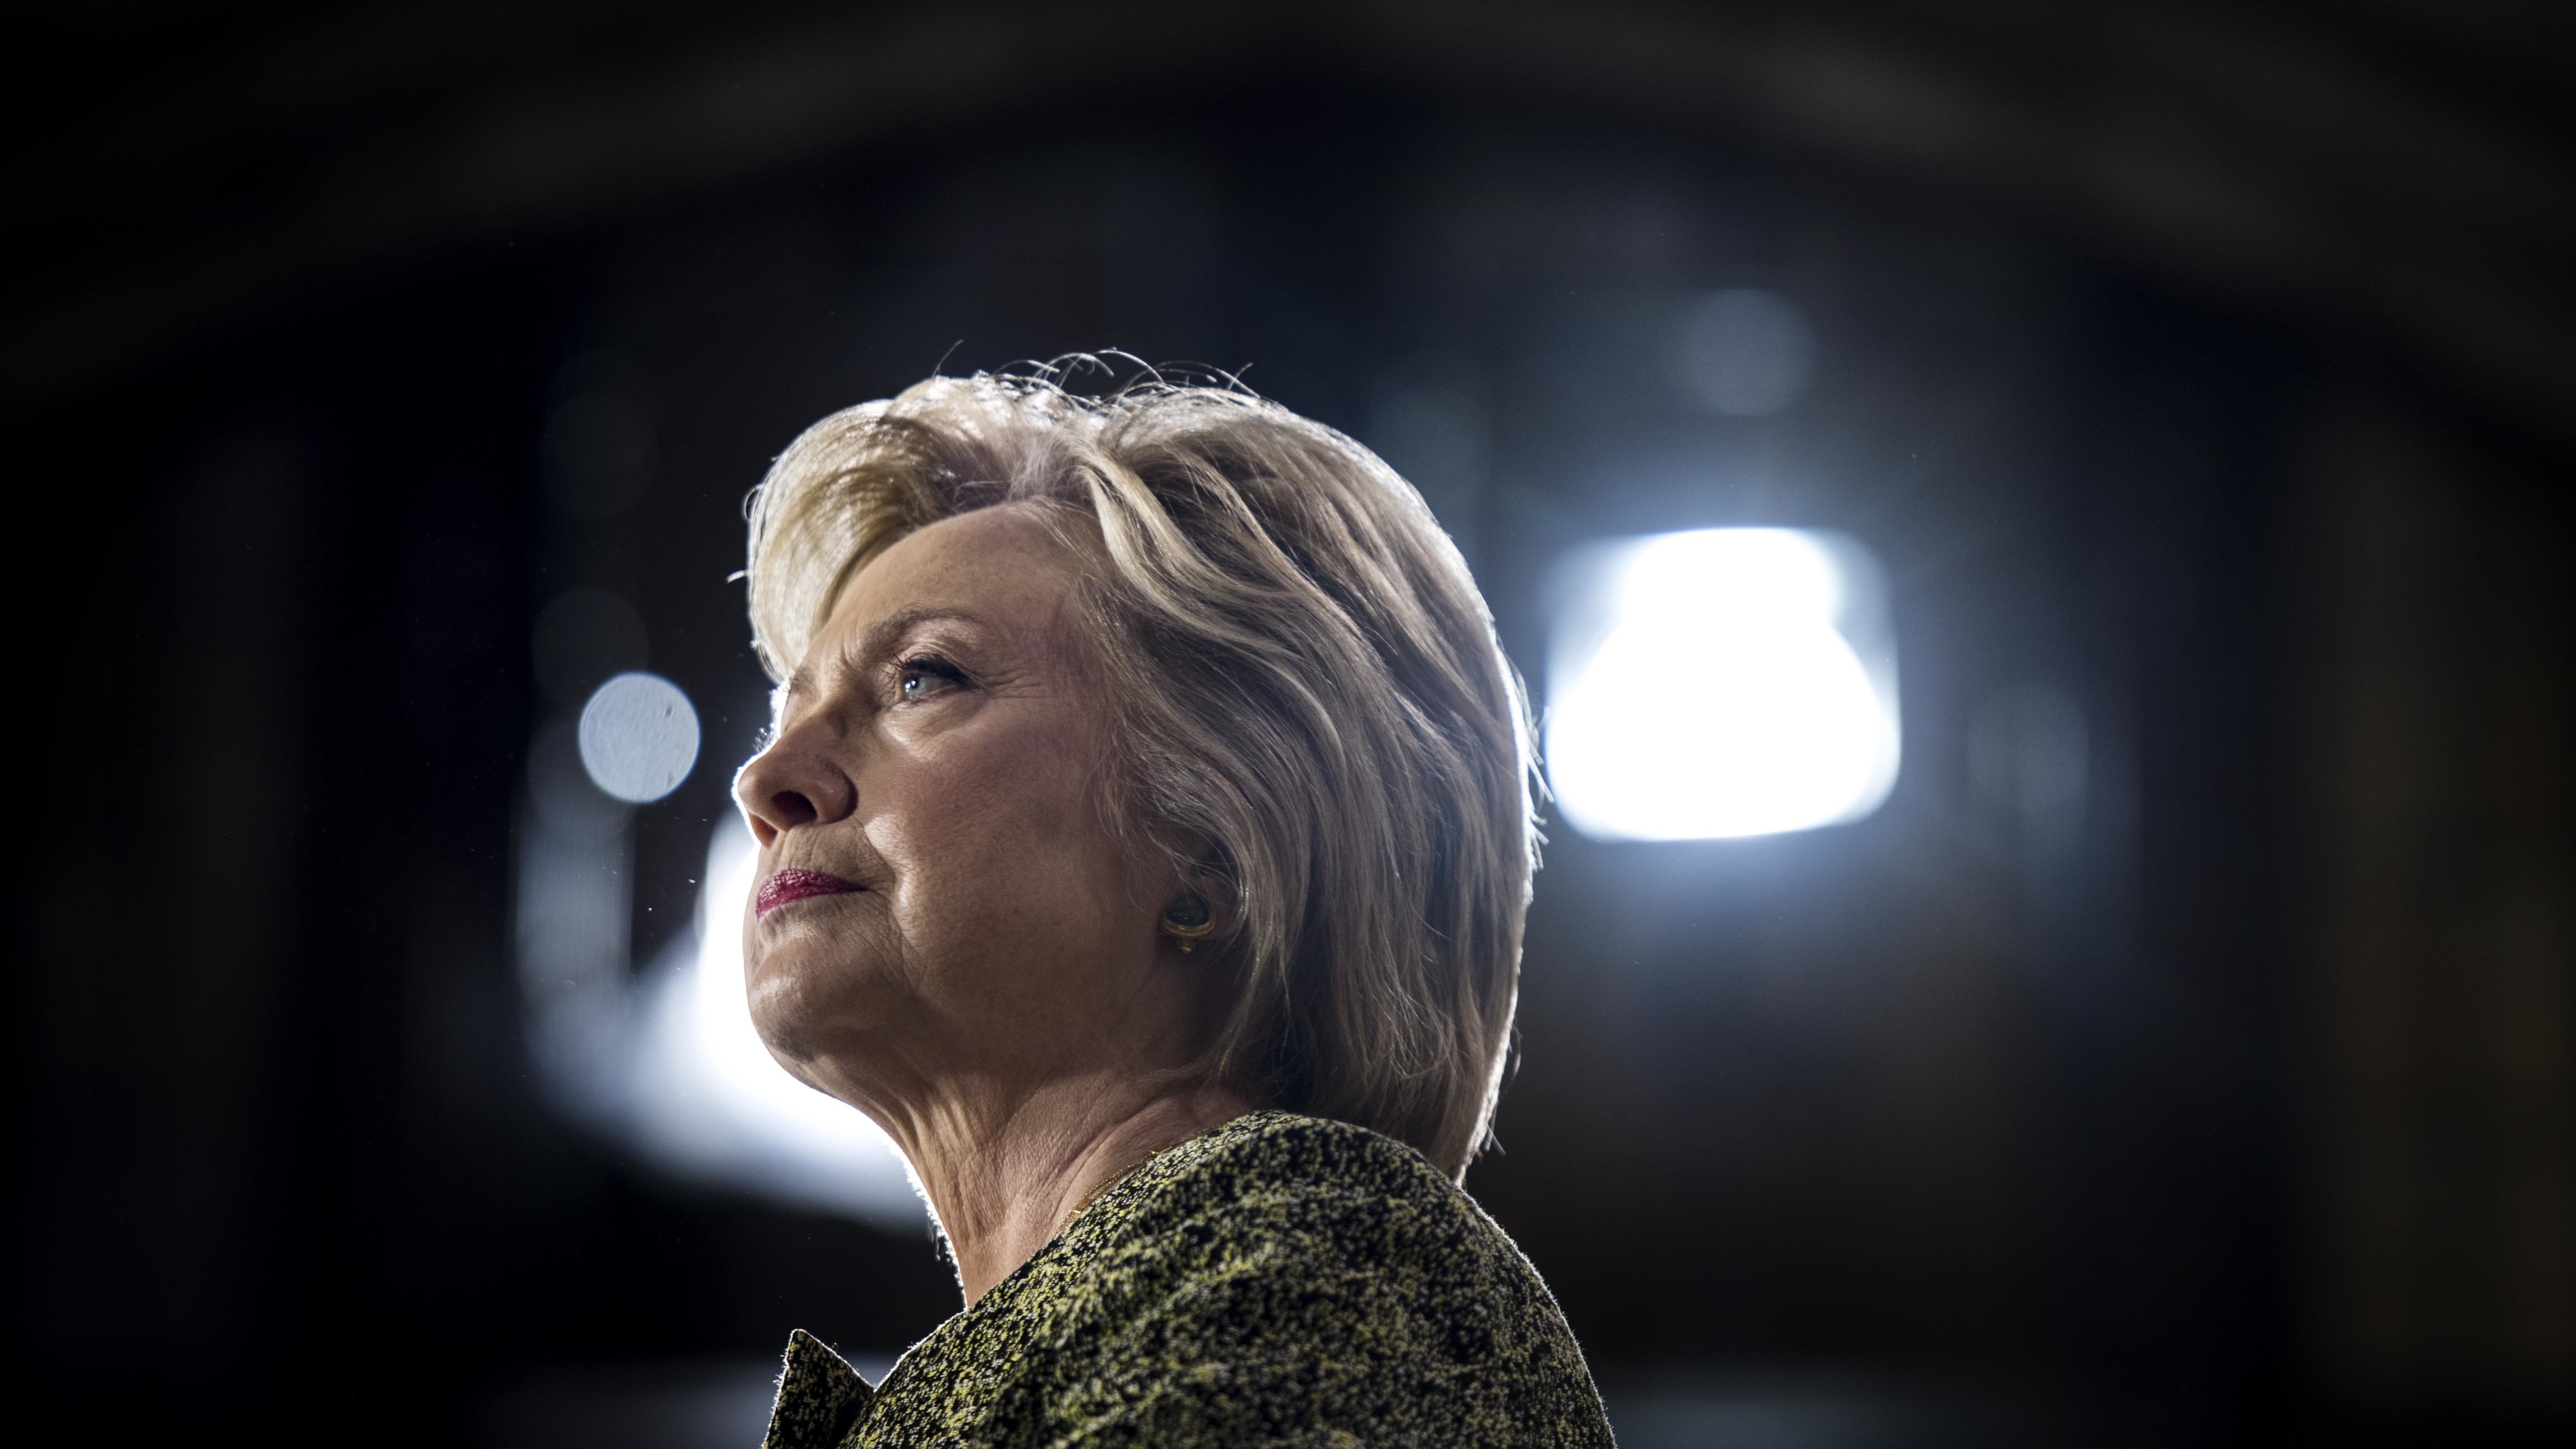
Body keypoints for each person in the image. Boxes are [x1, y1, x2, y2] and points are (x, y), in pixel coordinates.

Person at [733, 367, 1612, 1447]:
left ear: (1217, 849)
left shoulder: (1320, 1264)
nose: (769, 777)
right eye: (789, 710)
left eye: (923, 677)